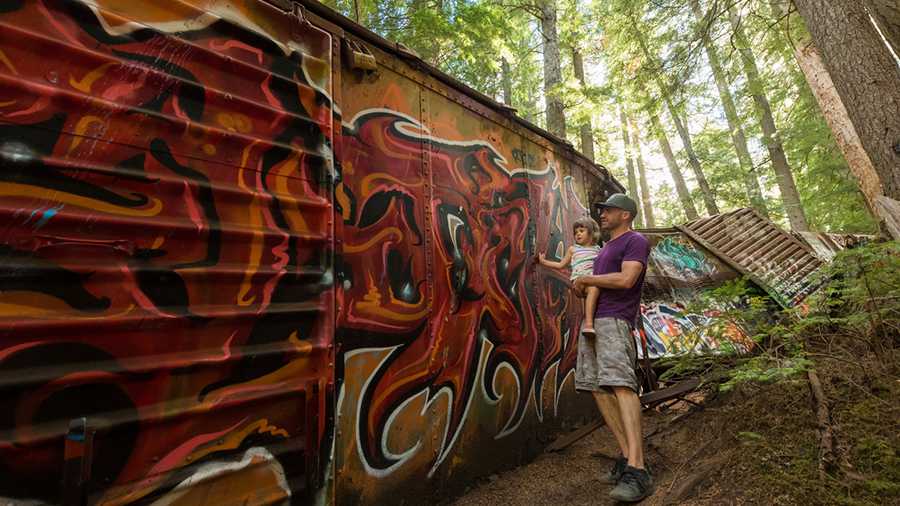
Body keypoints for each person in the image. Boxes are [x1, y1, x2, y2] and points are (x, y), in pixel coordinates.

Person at [573, 193, 654, 503]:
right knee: (597, 387)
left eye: (608, 210)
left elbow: (626, 279)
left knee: (621, 386)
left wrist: (589, 278)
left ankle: (639, 469)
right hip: (593, 323)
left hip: (615, 321)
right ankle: (625, 456)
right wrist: (581, 285)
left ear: (626, 214)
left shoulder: (635, 240)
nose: (602, 215)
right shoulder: (605, 248)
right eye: (602, 211)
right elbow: (599, 283)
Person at [538, 218, 602, 337]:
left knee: (590, 295)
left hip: (592, 279)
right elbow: (561, 264)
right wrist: (544, 262)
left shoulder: (598, 250)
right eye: (576, 232)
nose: (578, 234)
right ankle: (589, 325)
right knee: (593, 289)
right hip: (579, 280)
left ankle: (586, 319)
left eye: (581, 231)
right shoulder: (573, 249)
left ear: (592, 233)